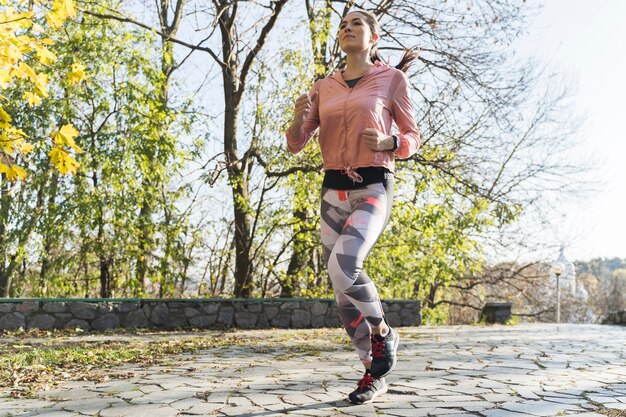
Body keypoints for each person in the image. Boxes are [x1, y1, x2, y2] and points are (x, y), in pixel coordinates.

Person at [285, 9, 420, 405]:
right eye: (343, 26)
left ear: (373, 38)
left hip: (374, 184)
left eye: (356, 24)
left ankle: (383, 333)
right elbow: (297, 143)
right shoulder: (323, 86)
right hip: (333, 190)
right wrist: (297, 117)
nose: (347, 29)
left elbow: (413, 137)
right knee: (343, 295)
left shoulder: (392, 80)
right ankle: (372, 372)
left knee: (344, 266)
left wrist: (389, 143)